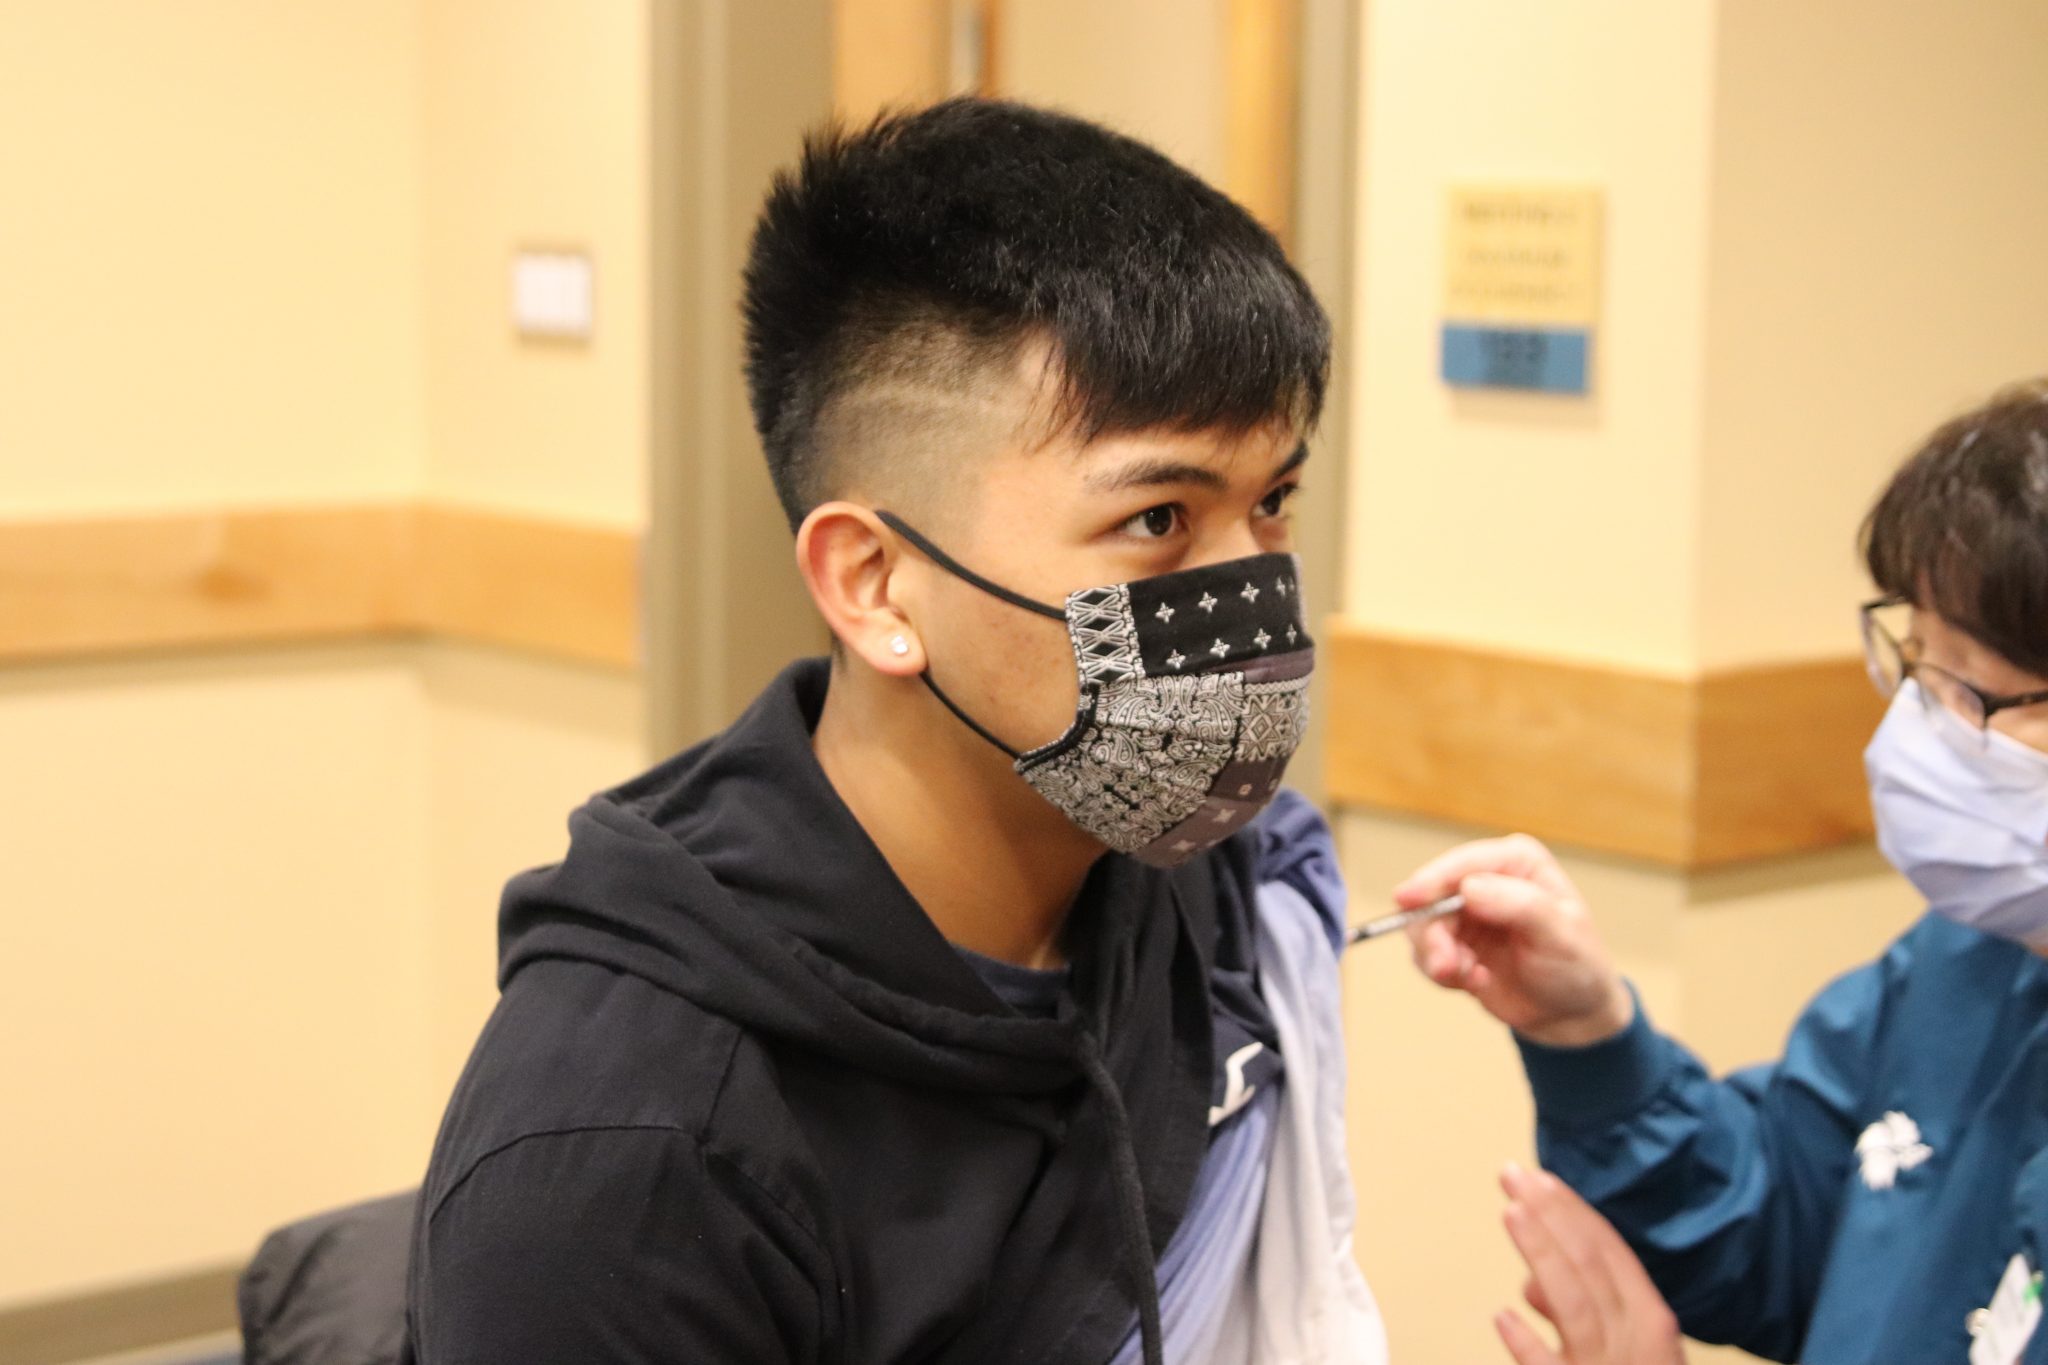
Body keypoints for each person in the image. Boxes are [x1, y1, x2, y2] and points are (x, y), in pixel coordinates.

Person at [404, 98, 1386, 1365]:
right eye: (1157, 520)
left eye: (1273, 504)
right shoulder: (628, 1161)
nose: (1246, 594)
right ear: (874, 585)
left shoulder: (1204, 900)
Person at [1400, 378, 2048, 1365]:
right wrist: (1591, 1041)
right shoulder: (1972, 958)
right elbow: (1787, 1231)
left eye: (1967, 686)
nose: (1918, 720)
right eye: (1913, 657)